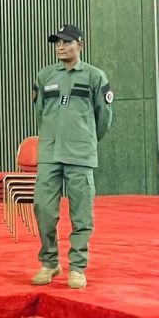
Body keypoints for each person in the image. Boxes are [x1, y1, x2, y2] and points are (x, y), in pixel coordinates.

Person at [31, 24, 113, 289]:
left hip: (80, 155)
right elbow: (40, 112)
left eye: (67, 42)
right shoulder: (45, 76)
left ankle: (77, 267)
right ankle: (50, 262)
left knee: (81, 214)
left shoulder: (94, 76)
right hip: (50, 154)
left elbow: (104, 118)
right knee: (43, 208)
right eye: (57, 42)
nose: (61, 46)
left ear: (80, 45)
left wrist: (85, 139)